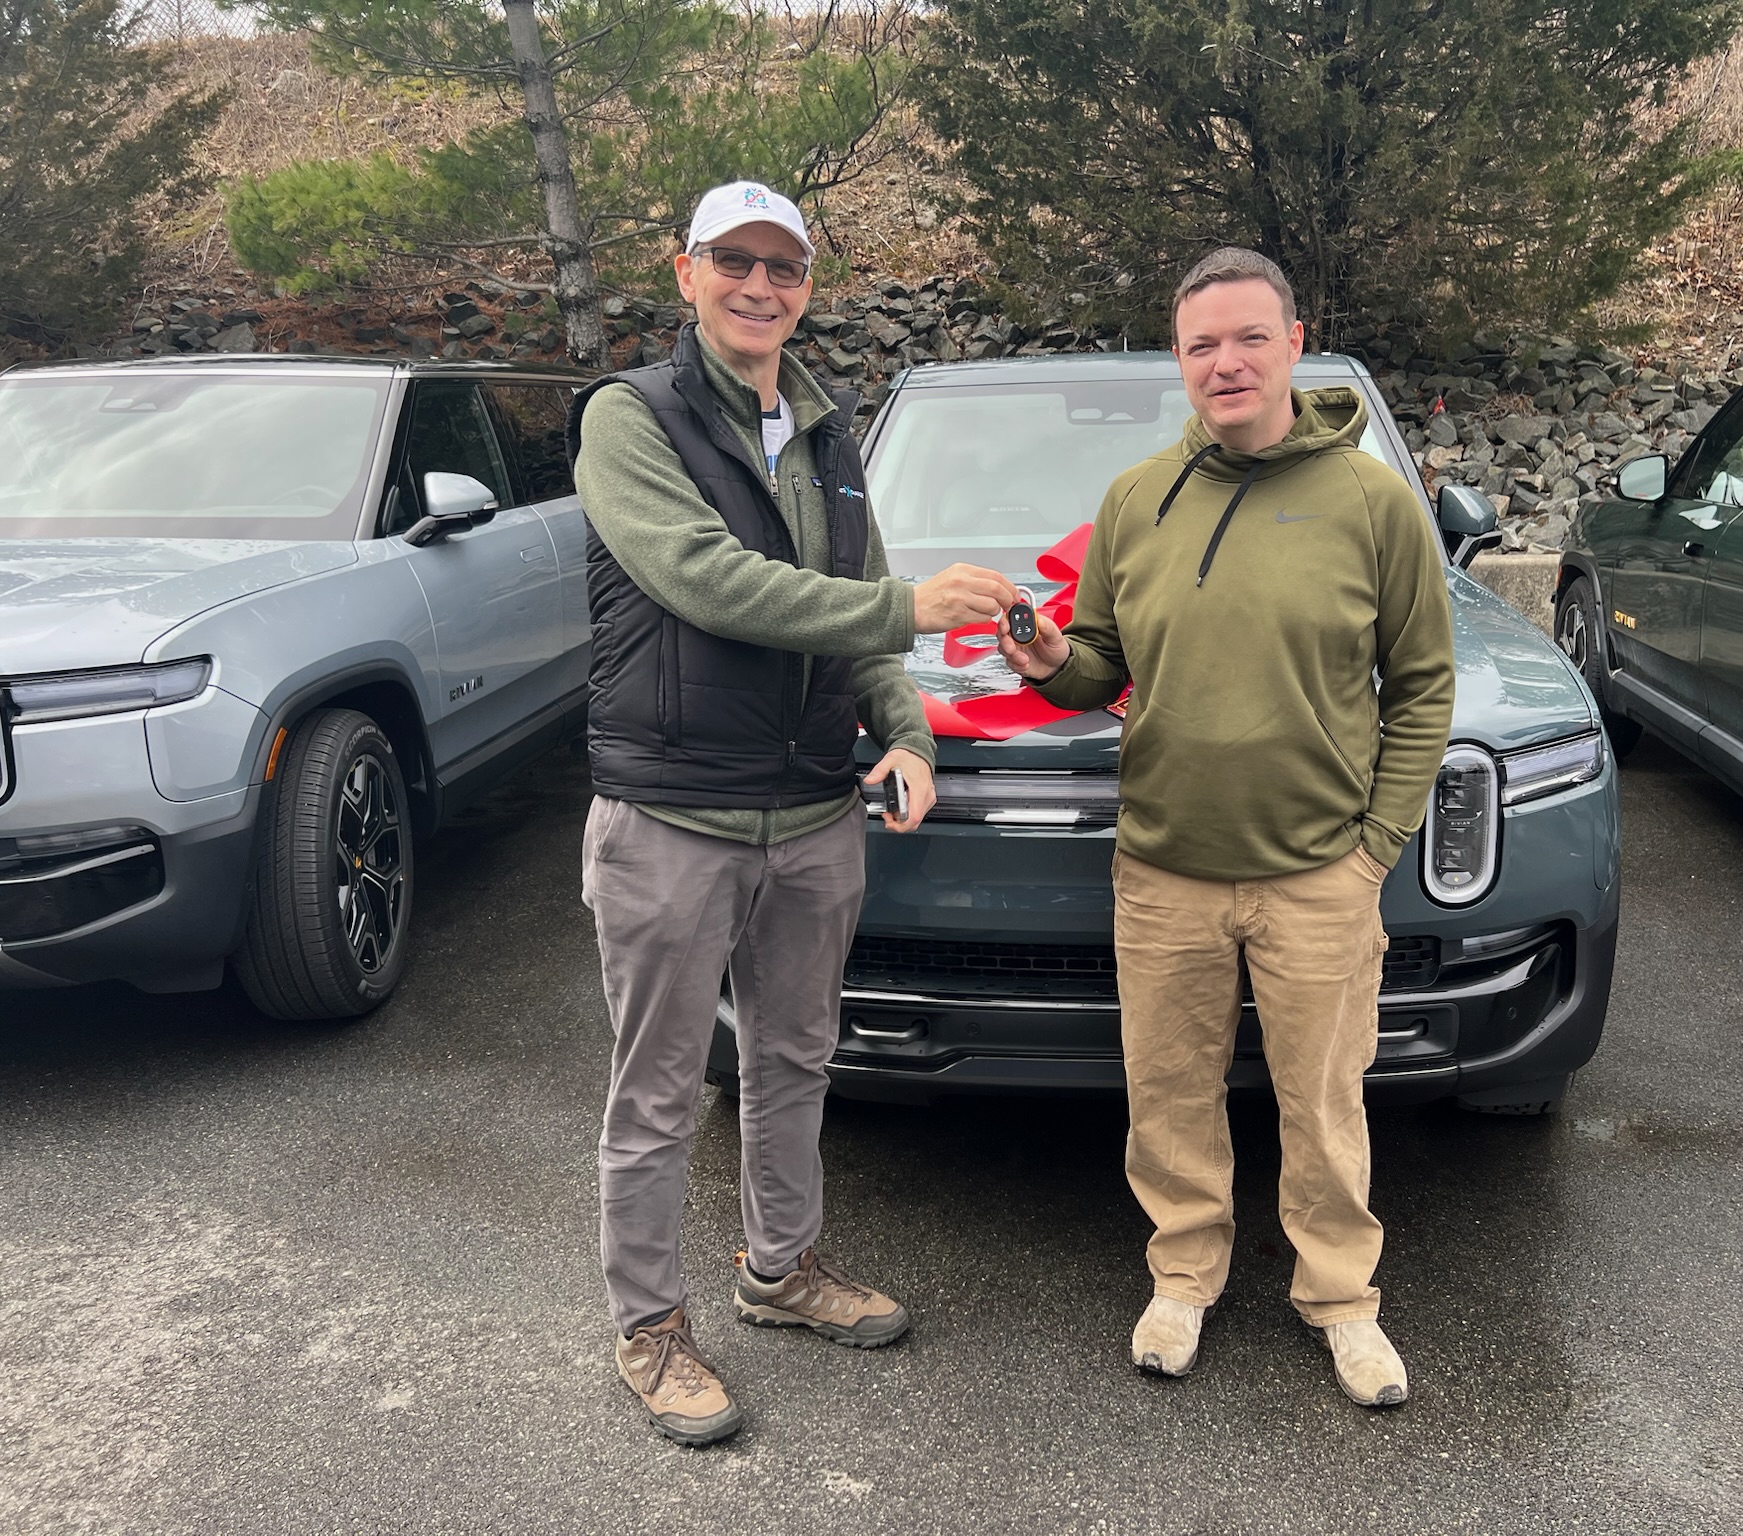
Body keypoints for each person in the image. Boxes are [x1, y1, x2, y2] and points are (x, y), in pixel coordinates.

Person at [569, 179, 1016, 1446]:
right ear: (685, 272)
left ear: (808, 287)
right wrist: (911, 615)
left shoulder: (826, 431)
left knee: (792, 1060)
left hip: (812, 813)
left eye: (785, 267)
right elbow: (708, 583)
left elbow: (855, 597)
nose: (760, 286)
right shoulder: (630, 419)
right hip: (673, 813)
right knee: (656, 1090)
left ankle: (779, 1270)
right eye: (735, 261)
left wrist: (912, 731)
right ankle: (649, 1329)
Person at [997, 248, 1455, 1408]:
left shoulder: (1370, 502)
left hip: (1317, 873)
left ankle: (1342, 1302)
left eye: (1249, 337)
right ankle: (1182, 1277)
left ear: (1294, 344)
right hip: (1162, 868)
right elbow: (1099, 664)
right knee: (1166, 1094)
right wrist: (1051, 660)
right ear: (1179, 360)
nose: (1226, 362)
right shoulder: (1135, 500)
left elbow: (1423, 688)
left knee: (1323, 1101)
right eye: (1201, 345)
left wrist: (1373, 853)